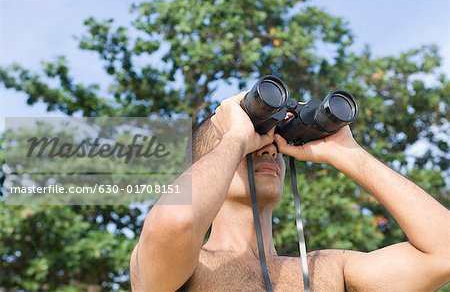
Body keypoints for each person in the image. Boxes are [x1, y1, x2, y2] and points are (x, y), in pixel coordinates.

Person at [129, 91, 450, 291]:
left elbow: (444, 253)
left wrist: (348, 153)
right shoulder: (185, 265)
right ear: (206, 165)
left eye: (272, 144)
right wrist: (236, 138)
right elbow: (176, 218)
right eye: (254, 141)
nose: (268, 150)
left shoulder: (330, 270)